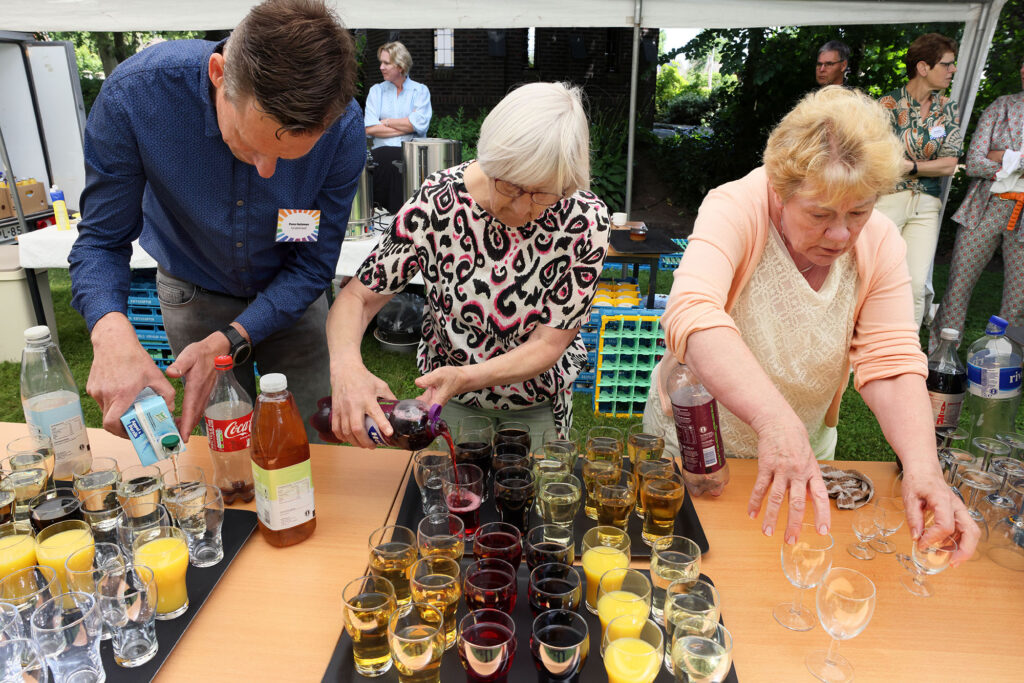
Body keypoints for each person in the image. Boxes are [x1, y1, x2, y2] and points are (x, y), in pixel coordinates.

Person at [643, 86, 978, 564]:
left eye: (859, 213)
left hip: (801, 451)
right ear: (780, 193)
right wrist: (776, 421)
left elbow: (891, 359)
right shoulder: (736, 205)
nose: (841, 234)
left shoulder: (880, 240)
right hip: (697, 444)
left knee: (778, 568)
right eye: (820, 215)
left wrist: (925, 467)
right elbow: (693, 315)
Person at [68, 0, 365, 442]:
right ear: (218, 74)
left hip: (293, 298)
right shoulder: (137, 96)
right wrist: (109, 332)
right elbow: (101, 241)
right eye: (249, 144)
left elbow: (311, 266)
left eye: (287, 159)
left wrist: (231, 338)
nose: (267, 171)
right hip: (194, 293)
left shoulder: (342, 131)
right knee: (226, 446)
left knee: (315, 440)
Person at [327, 82, 609, 448]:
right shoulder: (437, 201)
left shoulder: (584, 220)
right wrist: (347, 366)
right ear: (490, 162)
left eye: (544, 195)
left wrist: (468, 375)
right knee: (447, 497)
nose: (523, 210)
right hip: (449, 402)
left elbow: (548, 344)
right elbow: (357, 298)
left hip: (536, 405)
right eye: (512, 188)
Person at [931, 59, 1024, 344]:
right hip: (985, 205)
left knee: (1019, 296)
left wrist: (1002, 156)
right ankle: (942, 355)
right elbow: (973, 162)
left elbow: (989, 158)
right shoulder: (1001, 106)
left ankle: (1007, 358)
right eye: (1022, 66)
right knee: (959, 283)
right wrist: (1016, 161)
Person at [876, 33, 963, 327]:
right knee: (873, 276)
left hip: (926, 205)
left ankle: (906, 360)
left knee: (914, 287)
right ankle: (856, 351)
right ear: (923, 67)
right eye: (947, 64)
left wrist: (910, 166)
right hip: (886, 201)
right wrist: (927, 165)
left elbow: (950, 164)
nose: (952, 70)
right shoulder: (886, 105)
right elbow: (882, 160)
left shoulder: (948, 107)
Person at [364, 41, 433, 214]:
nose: (381, 67)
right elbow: (369, 128)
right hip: (380, 160)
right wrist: (408, 126)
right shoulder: (376, 91)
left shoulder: (420, 91)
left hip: (411, 159)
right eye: (381, 62)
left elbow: (419, 124)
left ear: (400, 66)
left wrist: (386, 122)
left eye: (386, 63)